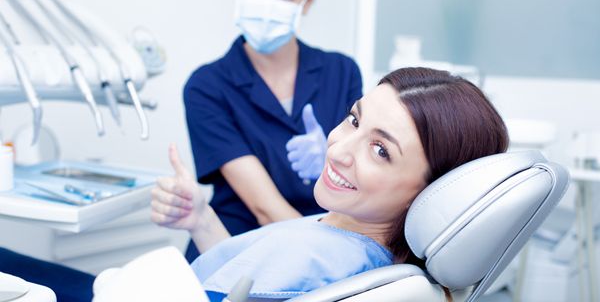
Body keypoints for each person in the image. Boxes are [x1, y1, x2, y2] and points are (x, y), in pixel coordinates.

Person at [151, 67, 509, 301]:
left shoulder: (317, 257)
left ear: (431, 193)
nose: (338, 149)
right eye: (355, 120)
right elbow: (250, 282)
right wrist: (201, 220)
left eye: (380, 150)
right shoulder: (347, 240)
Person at [182, 0, 362, 261]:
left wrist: (330, 159)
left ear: (307, 1)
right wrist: (326, 262)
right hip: (236, 250)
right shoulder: (207, 86)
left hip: (327, 240)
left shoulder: (342, 72)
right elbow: (264, 208)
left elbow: (363, 185)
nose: (266, 6)